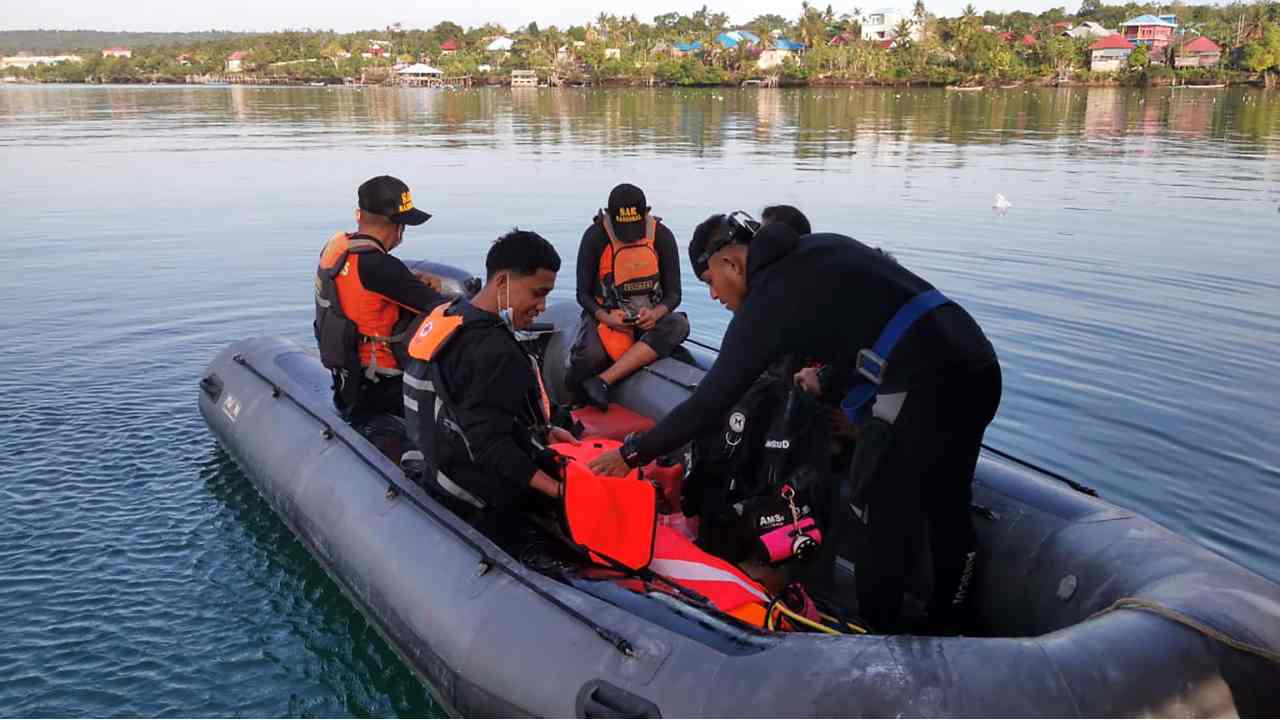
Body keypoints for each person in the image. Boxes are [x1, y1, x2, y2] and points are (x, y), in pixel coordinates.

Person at [589, 213, 1002, 633]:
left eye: (711, 281)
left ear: (731, 263)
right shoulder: (822, 247)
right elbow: (873, 322)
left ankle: (879, 639)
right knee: (949, 503)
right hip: (978, 363)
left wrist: (632, 453)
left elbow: (710, 403)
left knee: (875, 510)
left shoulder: (768, 299)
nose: (713, 295)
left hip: (925, 383)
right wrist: (828, 378)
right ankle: (954, 622)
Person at [400, 229, 577, 513]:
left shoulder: (449, 315)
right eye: (538, 293)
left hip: (438, 464)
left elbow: (471, 408)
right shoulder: (497, 351)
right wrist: (558, 491)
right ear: (503, 281)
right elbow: (490, 446)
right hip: (471, 490)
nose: (542, 307)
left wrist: (545, 430)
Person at [314, 175, 449, 417]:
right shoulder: (380, 267)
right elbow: (447, 312)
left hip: (349, 380)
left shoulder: (338, 248)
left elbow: (366, 286)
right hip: (383, 388)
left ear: (361, 215)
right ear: (397, 226)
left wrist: (409, 279)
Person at [567, 183, 690, 410]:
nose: (630, 237)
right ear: (609, 215)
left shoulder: (663, 236)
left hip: (647, 318)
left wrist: (655, 314)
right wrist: (606, 317)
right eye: (623, 230)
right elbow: (582, 294)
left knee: (678, 324)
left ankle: (604, 380)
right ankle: (576, 399)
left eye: (635, 227)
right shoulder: (595, 237)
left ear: (646, 213)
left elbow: (674, 294)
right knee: (589, 357)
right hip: (607, 318)